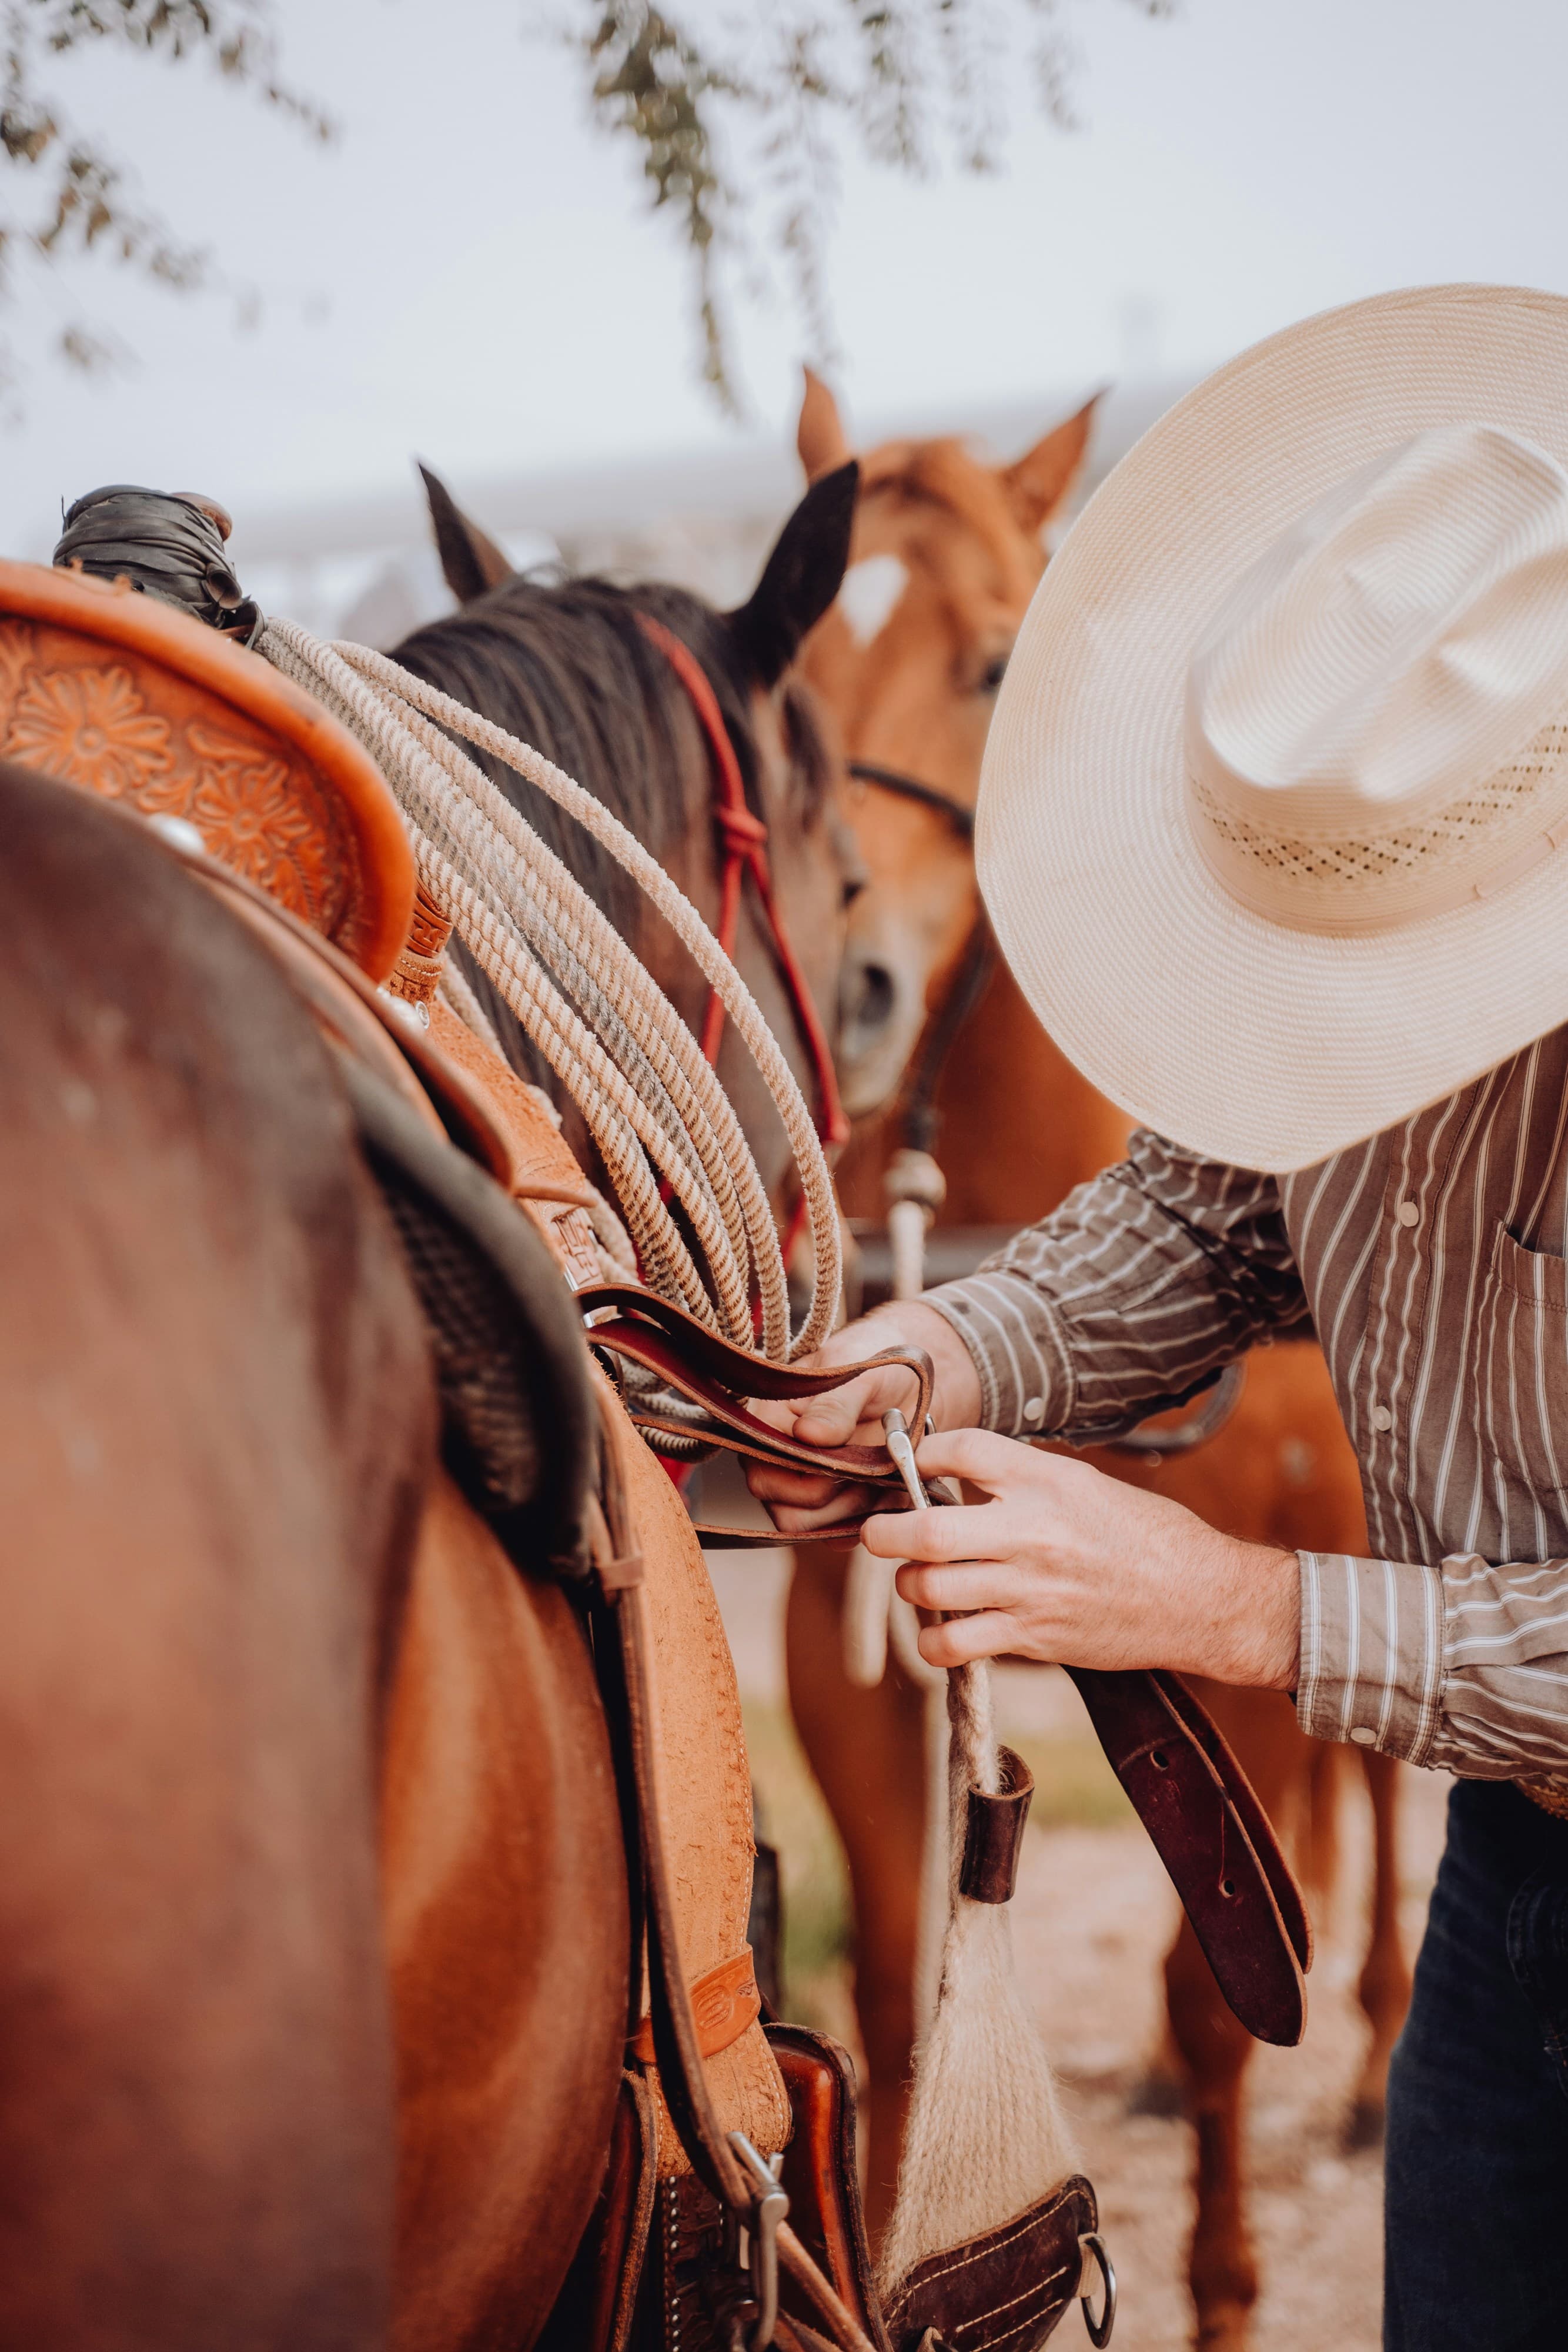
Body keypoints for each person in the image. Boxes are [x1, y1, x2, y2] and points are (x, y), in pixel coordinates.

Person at [751, 286, 1568, 2351]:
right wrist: (944, 1346)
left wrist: (1236, 1610)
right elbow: (1193, 1222)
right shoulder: (1359, 894)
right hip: (1515, 1886)